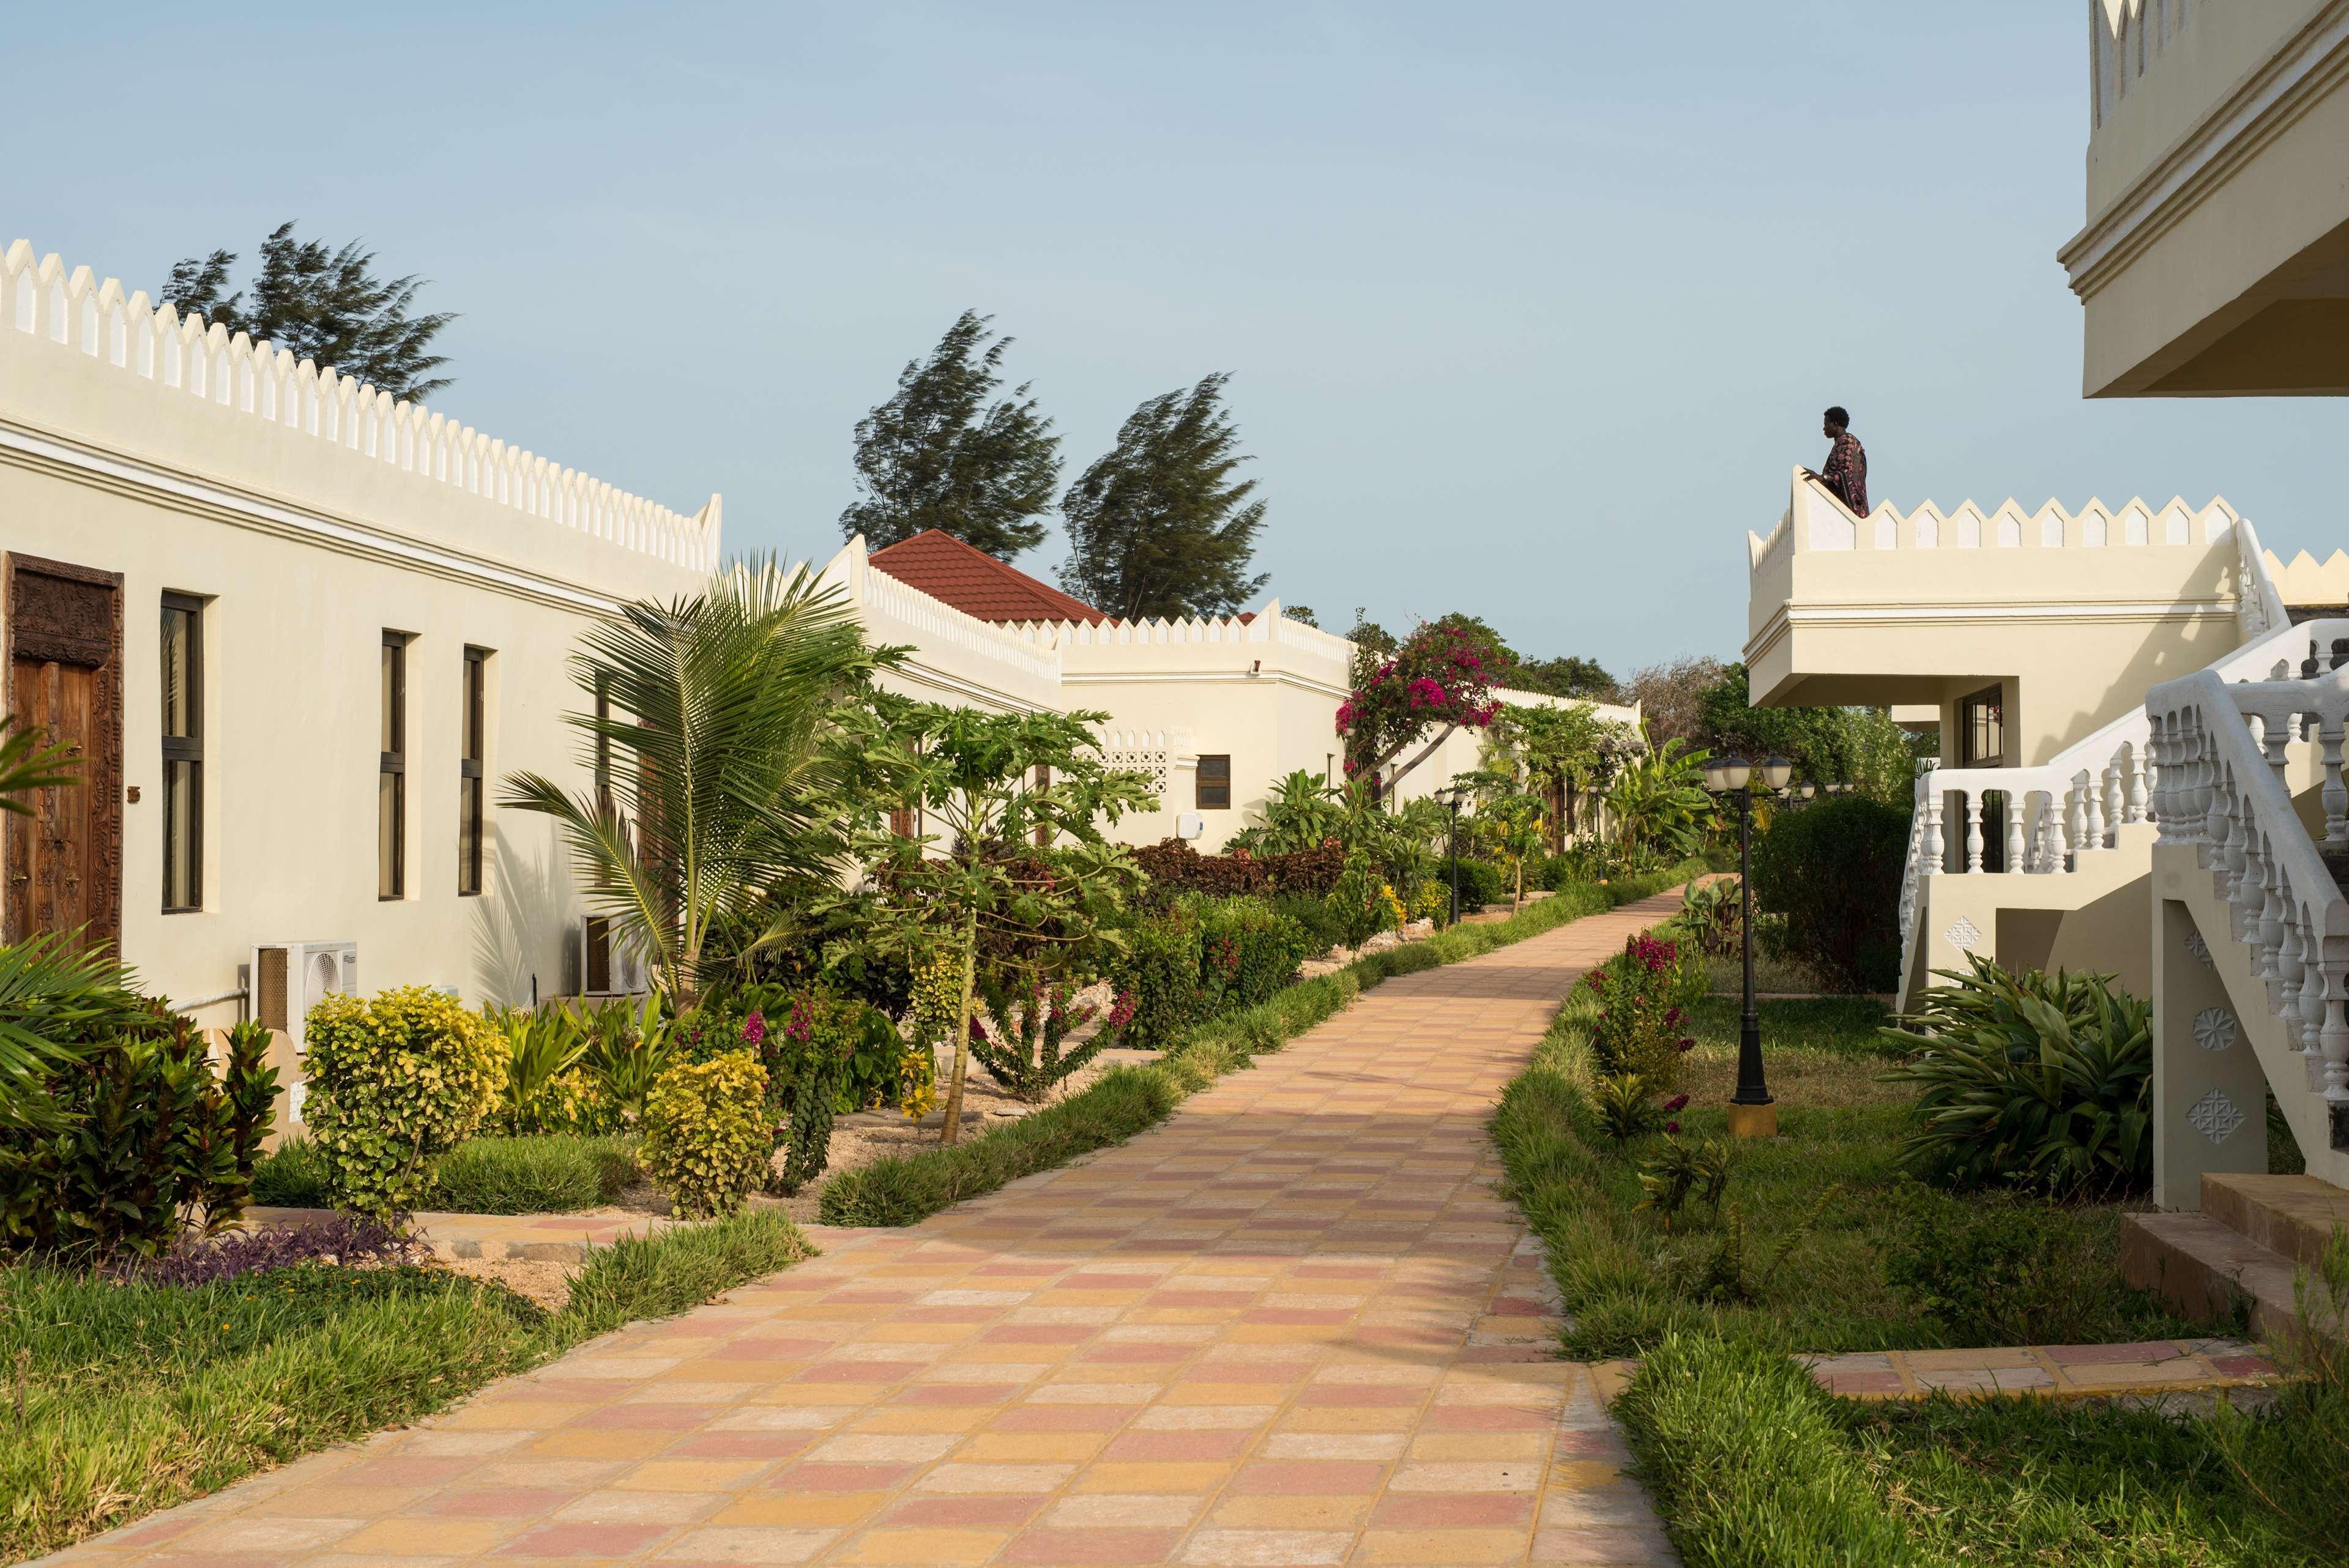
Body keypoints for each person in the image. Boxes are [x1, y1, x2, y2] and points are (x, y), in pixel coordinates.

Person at [1801, 406, 1867, 515]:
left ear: (1835, 424)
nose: (1824, 428)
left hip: (1854, 509)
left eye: (1826, 424)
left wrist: (1823, 478)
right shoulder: (1839, 444)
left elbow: (1848, 473)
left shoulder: (1848, 441)